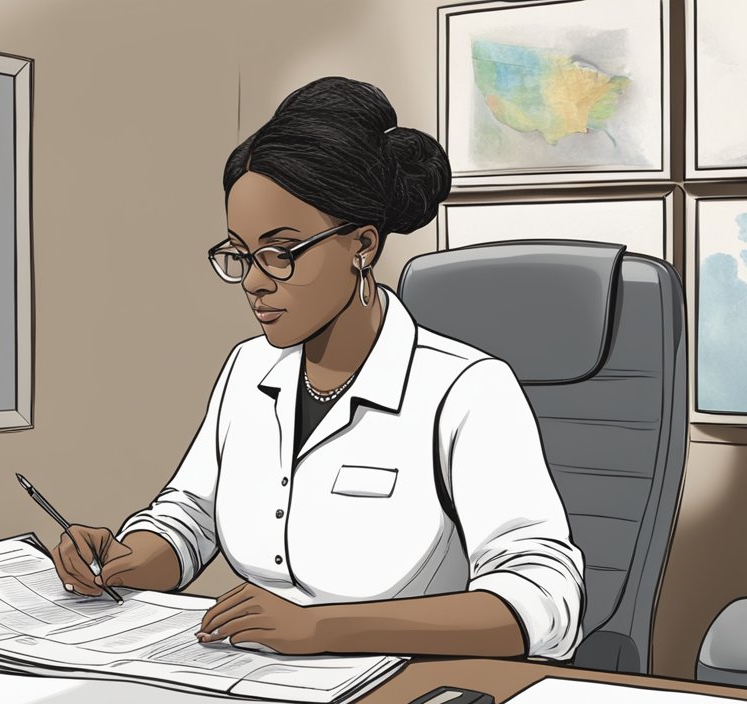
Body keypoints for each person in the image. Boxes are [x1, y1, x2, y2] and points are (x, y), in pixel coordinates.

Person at [54, 77, 584, 660]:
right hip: (249, 680)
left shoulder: (465, 389)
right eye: (240, 254)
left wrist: (325, 628)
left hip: (406, 693)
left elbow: (543, 601)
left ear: (362, 245)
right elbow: (192, 516)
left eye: (280, 252)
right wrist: (130, 558)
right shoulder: (247, 369)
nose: (255, 281)